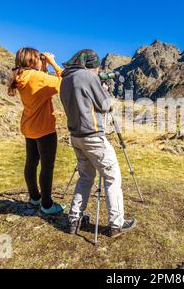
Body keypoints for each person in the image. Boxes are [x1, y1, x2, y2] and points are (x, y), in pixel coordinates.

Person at [59, 49, 137, 237]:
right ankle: (116, 224)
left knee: (85, 177)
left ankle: (73, 219)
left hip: (76, 136)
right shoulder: (87, 76)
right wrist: (103, 90)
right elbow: (105, 105)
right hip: (93, 136)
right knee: (112, 177)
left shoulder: (65, 79)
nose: (97, 70)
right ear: (90, 65)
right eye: (96, 67)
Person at [7, 48, 66, 215]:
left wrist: (43, 67)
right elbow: (64, 83)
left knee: (31, 163)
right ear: (33, 61)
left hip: (29, 127)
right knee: (47, 166)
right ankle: (47, 205)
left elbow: (38, 85)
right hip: (44, 128)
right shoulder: (38, 77)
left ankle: (34, 198)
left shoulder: (20, 76)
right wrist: (54, 62)